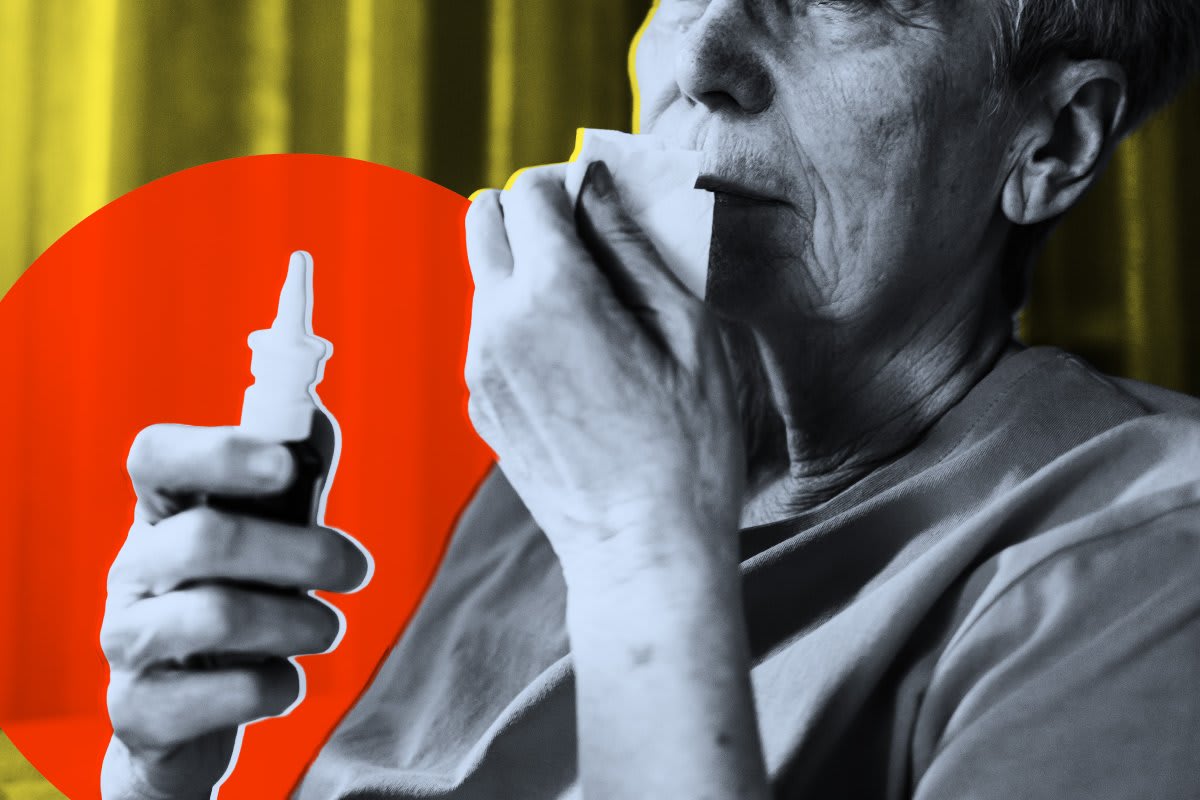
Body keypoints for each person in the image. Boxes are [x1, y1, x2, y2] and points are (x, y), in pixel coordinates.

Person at [99, 1, 1200, 798]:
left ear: (1051, 143)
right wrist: (160, 773)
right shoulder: (549, 474)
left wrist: (637, 542)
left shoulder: (1151, 558)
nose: (705, 56)